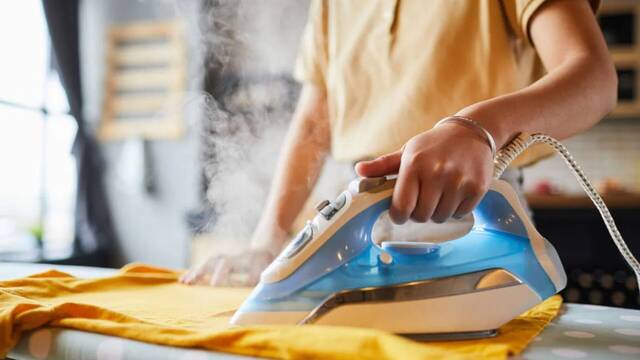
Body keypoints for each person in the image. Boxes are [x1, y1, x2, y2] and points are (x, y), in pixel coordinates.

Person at [181, 0, 616, 286]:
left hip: (469, 206)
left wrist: (477, 128)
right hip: (356, 210)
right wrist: (268, 242)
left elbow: (593, 77)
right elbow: (314, 126)